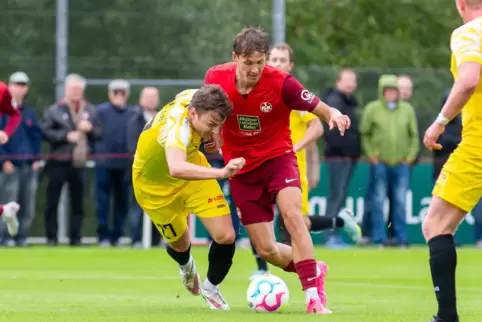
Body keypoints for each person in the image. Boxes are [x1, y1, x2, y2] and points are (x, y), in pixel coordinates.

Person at [204, 27, 350, 314]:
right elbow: (207, 114)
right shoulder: (215, 78)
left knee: (293, 217)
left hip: (278, 159)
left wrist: (334, 114)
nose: (255, 69)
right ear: (236, 58)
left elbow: (319, 107)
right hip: (242, 170)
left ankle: (312, 298)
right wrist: (212, 139)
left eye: (260, 62)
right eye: (248, 63)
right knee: (267, 250)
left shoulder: (282, 82)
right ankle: (314, 270)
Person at [249, 43, 361, 279]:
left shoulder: (293, 94)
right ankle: (261, 272)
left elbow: (316, 127)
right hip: (261, 167)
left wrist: (296, 151)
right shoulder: (259, 91)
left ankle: (336, 225)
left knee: (295, 224)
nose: (278, 63)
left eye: (283, 60)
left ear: (290, 65)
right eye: (274, 59)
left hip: (291, 170)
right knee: (259, 218)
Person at [132, 86, 244, 311]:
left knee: (226, 235)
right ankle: (186, 266)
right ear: (192, 114)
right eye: (211, 125)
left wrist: (213, 133)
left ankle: (211, 288)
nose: (215, 130)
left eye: (218, 125)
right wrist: (221, 173)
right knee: (181, 243)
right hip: (155, 188)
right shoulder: (177, 129)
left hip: (193, 169)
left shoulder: (194, 97)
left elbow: (213, 106)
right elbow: (176, 167)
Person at [422, 1, 482, 321]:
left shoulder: (469, 33)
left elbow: (469, 79)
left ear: (461, 4)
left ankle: (447, 317)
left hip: (479, 146)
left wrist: (441, 120)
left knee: (436, 225)